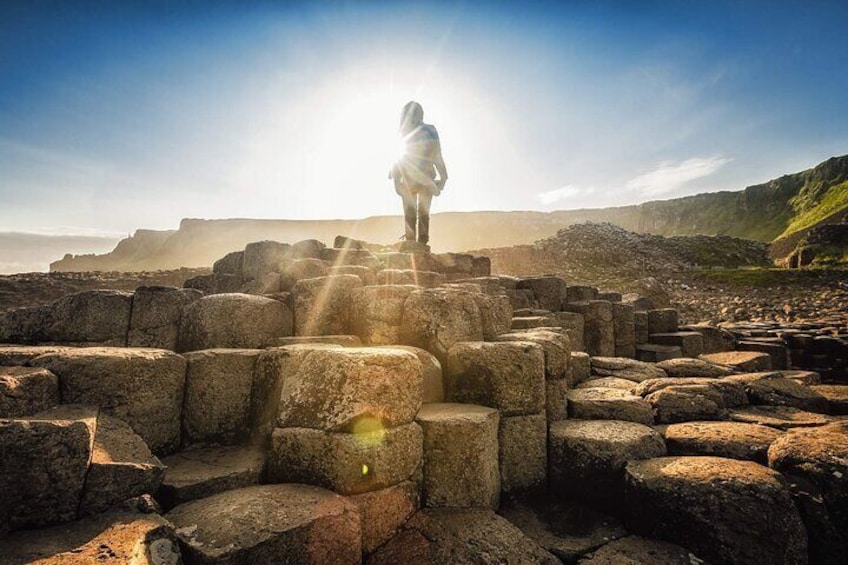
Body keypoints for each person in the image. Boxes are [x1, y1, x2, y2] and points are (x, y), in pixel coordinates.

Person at [390, 101, 447, 246]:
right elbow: (437, 155)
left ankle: (414, 244)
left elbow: (398, 157)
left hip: (411, 179)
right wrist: (444, 176)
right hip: (423, 178)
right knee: (421, 213)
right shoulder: (429, 130)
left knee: (414, 213)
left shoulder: (404, 131)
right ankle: (419, 244)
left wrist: (396, 180)